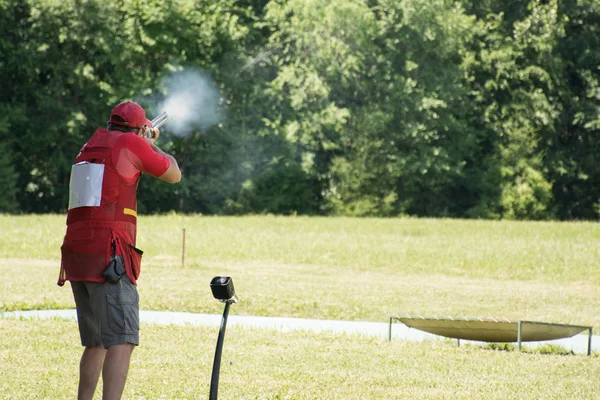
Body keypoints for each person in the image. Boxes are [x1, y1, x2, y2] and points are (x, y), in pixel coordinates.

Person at [58, 101, 181, 400]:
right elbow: (174, 173)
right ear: (139, 129)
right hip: (108, 254)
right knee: (122, 340)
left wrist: (142, 139)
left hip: (77, 252)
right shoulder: (131, 142)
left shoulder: (90, 144)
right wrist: (152, 145)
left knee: (96, 341)